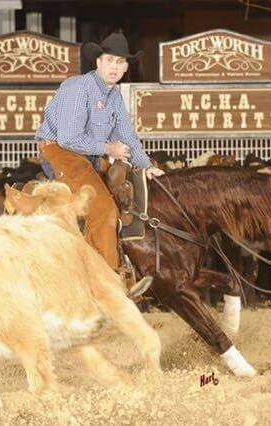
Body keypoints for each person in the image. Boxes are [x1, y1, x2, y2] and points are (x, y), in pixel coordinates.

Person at [36, 32, 164, 293]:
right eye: (110, 60)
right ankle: (110, 284)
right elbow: (68, 138)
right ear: (98, 62)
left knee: (125, 197)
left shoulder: (114, 96)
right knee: (104, 209)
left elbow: (127, 136)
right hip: (60, 152)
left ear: (126, 67)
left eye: (121, 62)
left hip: (88, 156)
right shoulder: (77, 88)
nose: (115, 67)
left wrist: (147, 166)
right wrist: (108, 148)